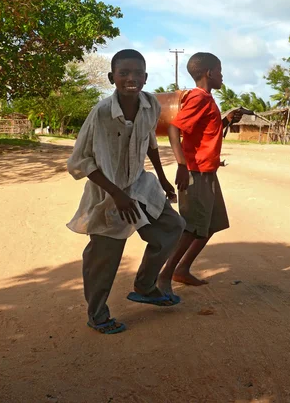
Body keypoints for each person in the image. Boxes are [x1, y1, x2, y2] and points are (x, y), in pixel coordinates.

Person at [66, 49, 185, 335]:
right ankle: (97, 315)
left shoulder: (151, 105)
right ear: (112, 78)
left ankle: (145, 286)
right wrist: (116, 195)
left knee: (172, 226)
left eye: (137, 73)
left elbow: (149, 143)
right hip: (108, 192)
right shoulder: (102, 113)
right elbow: (80, 162)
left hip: (139, 184)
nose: (131, 78)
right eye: (124, 73)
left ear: (145, 77)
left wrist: (163, 179)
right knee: (105, 256)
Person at [157, 52, 243, 294]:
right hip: (195, 172)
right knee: (193, 226)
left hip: (207, 171)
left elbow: (206, 131)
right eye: (220, 70)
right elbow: (175, 128)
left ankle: (182, 269)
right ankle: (164, 276)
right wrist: (182, 166)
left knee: (212, 223)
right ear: (209, 73)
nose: (222, 75)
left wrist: (226, 120)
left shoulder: (208, 99)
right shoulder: (199, 98)